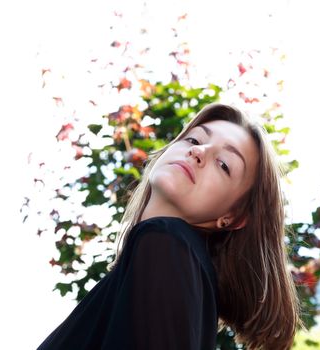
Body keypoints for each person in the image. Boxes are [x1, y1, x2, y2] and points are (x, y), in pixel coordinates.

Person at [37, 103, 303, 350]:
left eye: (224, 165)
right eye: (194, 139)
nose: (199, 151)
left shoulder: (166, 242)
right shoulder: (167, 262)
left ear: (232, 216)